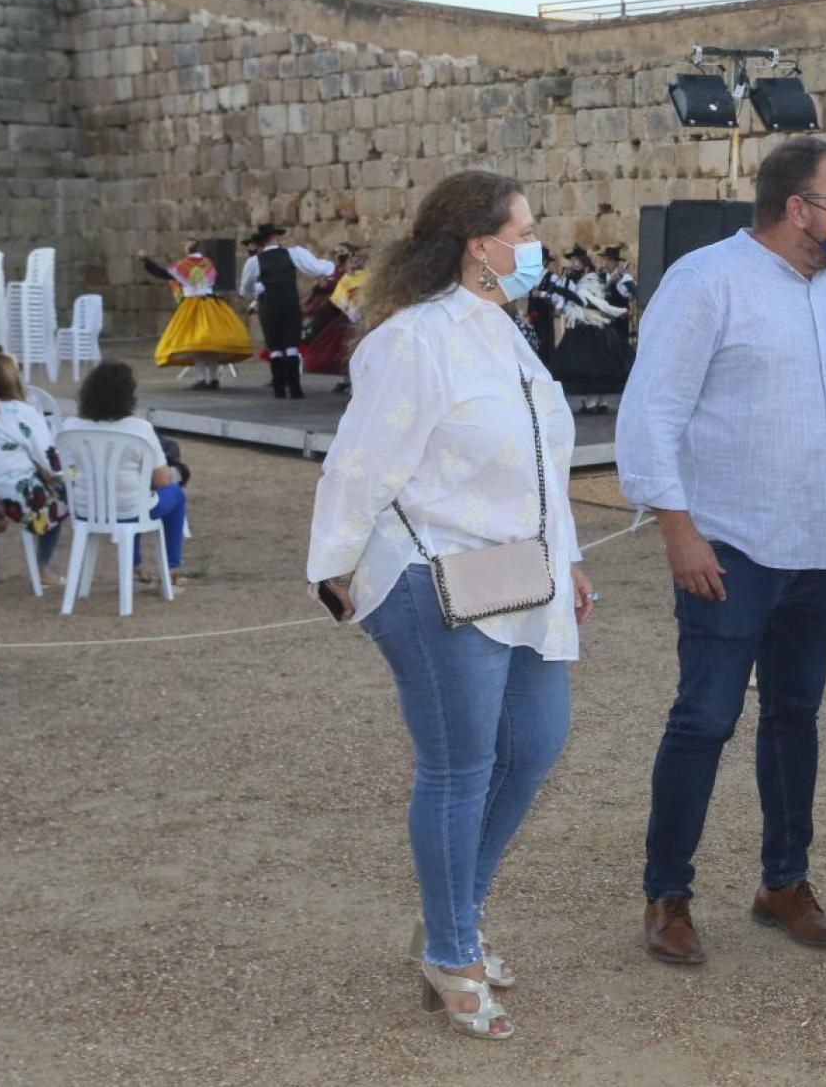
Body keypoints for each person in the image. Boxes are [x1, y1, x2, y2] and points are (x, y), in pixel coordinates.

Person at [307, 170, 594, 1041]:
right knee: (460, 765)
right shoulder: (415, 341)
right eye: (525, 230)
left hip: (524, 579)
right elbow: (361, 462)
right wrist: (335, 570)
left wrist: (570, 558)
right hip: (438, 580)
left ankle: (451, 921)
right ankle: (452, 948)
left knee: (535, 747)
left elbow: (544, 463)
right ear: (480, 244)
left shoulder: (505, 334)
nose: (535, 247)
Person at [618, 135, 826, 967]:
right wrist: (678, 530)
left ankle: (783, 883)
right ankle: (668, 895)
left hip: (817, 548)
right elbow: (650, 413)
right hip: (727, 546)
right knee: (704, 719)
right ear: (797, 208)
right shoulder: (705, 281)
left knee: (795, 717)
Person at [63, 361, 189, 585]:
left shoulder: (70, 426)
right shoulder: (139, 428)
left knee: (134, 497)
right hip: (129, 508)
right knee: (173, 495)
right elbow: (162, 480)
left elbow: (68, 470)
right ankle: (171, 566)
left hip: (84, 508)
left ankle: (135, 563)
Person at [0, 352, 67, 587]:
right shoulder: (22, 412)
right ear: (13, 378)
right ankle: (42, 567)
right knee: (64, 495)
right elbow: (51, 462)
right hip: (18, 497)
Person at [237, 222, 336, 399]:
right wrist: (333, 269)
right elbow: (317, 268)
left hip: (269, 306)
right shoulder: (293, 254)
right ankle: (295, 388)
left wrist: (258, 289)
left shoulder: (254, 261)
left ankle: (279, 388)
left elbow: (245, 289)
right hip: (290, 303)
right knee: (292, 346)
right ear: (274, 238)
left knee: (275, 347)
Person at [140, 240, 255, 389]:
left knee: (197, 345)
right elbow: (217, 280)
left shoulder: (183, 265)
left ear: (188, 248)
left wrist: (146, 260)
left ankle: (202, 378)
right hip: (212, 305)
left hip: (192, 306)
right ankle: (213, 379)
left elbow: (163, 273)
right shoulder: (208, 264)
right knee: (212, 345)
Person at [548, 251, 631, 415]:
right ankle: (597, 401)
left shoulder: (589, 282)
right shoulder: (585, 281)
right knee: (595, 366)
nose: (573, 264)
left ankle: (595, 400)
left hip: (591, 327)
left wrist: (619, 310)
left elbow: (590, 302)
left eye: (576, 261)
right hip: (588, 325)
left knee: (590, 365)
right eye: (572, 261)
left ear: (585, 265)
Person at [300, 241, 365, 394]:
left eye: (342, 251)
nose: (338, 254)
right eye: (336, 251)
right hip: (336, 313)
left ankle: (353, 379)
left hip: (346, 314)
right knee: (343, 349)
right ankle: (346, 379)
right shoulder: (336, 271)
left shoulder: (355, 274)